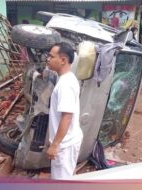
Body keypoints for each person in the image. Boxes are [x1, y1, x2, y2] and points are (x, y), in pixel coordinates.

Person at [46, 42, 83, 179]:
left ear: (63, 60)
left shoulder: (65, 85)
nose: (48, 59)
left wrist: (55, 145)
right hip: (68, 141)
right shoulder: (67, 78)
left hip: (65, 144)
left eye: (51, 56)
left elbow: (67, 117)